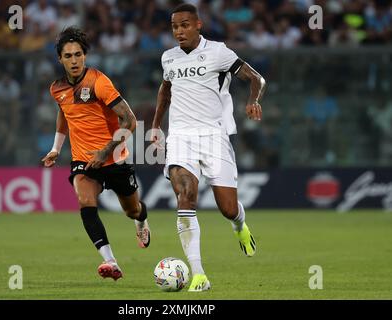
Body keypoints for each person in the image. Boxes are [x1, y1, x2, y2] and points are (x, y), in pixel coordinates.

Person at [151, 4, 266, 292]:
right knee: (186, 195)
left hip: (214, 136)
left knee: (227, 209)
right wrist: (155, 126)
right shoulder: (168, 58)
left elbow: (256, 78)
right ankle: (199, 274)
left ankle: (239, 225)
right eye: (175, 26)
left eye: (185, 25)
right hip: (181, 137)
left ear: (198, 24)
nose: (179, 31)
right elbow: (165, 91)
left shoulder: (219, 52)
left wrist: (253, 100)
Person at [42, 27, 150, 281]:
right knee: (85, 202)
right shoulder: (56, 89)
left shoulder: (99, 82)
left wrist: (105, 151)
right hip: (83, 160)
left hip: (114, 158)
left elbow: (131, 121)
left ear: (85, 56)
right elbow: (64, 112)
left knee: (132, 210)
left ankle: (142, 221)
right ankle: (110, 261)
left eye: (78, 54)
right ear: (60, 59)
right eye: (68, 56)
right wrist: (56, 148)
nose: (74, 60)